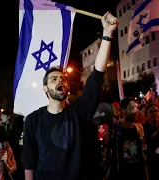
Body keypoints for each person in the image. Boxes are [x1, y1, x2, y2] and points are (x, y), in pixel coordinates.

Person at [23, 12, 118, 180]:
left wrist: (107, 34)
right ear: (45, 88)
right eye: (54, 79)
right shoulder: (32, 120)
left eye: (64, 79)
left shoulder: (79, 112)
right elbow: (30, 162)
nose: (60, 81)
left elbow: (97, 75)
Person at [107, 98, 147, 180]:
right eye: (132, 107)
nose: (136, 111)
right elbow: (108, 154)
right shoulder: (115, 130)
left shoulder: (139, 129)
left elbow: (142, 155)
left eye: (137, 108)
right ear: (123, 111)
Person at [143, 103, 159, 180]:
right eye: (151, 111)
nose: (154, 113)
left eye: (156, 111)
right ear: (146, 116)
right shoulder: (142, 130)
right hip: (150, 167)